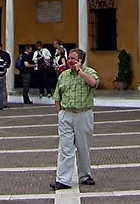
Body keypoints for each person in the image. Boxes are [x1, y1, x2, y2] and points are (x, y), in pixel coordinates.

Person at [50, 48, 99, 191]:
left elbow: (93, 83)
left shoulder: (89, 72)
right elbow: (57, 96)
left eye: (73, 58)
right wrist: (60, 114)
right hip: (66, 114)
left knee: (83, 147)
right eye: (69, 58)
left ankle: (85, 175)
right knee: (66, 147)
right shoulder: (63, 75)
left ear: (80, 60)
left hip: (83, 114)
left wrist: (80, 71)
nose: (70, 61)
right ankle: (63, 179)